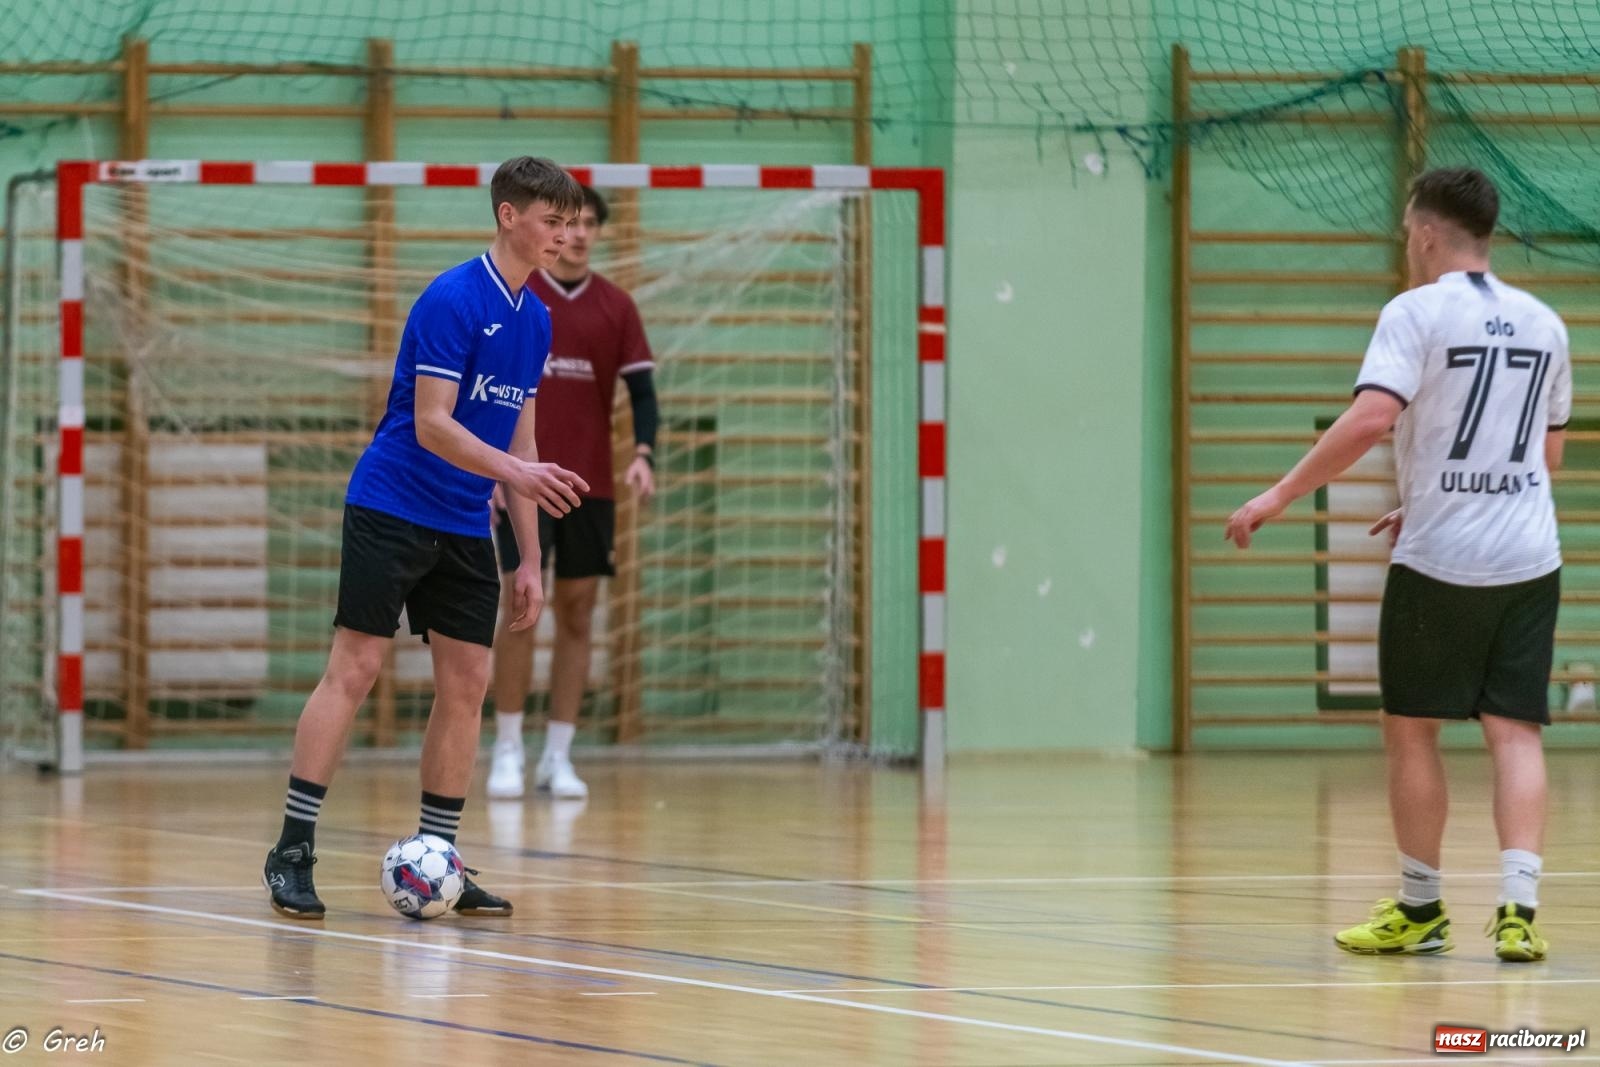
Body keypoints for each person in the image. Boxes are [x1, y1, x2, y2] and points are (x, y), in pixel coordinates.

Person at [1225, 167, 1570, 962]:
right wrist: (1435, 497)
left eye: (1406, 232)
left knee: (1411, 728)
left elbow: (1372, 417)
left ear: (1425, 232)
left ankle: (1421, 908)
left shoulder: (1414, 312)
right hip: (1530, 555)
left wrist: (1279, 493)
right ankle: (1518, 912)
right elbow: (1543, 457)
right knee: (1515, 731)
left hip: (1443, 560)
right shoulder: (1545, 323)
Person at [262, 156, 588, 919]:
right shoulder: (453, 297)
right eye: (551, 221)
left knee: (468, 682)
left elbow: (524, 444)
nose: (564, 236)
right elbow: (433, 424)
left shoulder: (536, 318)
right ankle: (292, 850)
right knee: (356, 667)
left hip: (466, 521)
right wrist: (513, 469)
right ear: (508, 215)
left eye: (570, 224)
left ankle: (439, 858)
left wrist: (530, 558)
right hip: (392, 506)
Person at [486, 184, 658, 801]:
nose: (578, 233)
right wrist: (493, 471)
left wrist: (644, 454)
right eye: (569, 222)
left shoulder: (617, 306)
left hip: (589, 484)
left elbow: (643, 393)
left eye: (589, 224)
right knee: (521, 605)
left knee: (580, 613)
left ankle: (557, 756)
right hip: (521, 479)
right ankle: (507, 747)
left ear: (599, 233)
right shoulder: (520, 295)